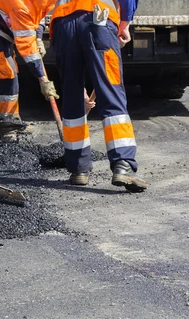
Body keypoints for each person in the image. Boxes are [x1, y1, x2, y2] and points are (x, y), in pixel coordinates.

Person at [50, 0, 149, 192]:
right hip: (98, 20)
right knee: (111, 93)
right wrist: (124, 24)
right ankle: (123, 164)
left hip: (62, 25)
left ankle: (78, 169)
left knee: (73, 97)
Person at [0, 2, 57, 143]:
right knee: (7, 71)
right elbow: (27, 50)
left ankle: (14, 121)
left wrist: (37, 38)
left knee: (11, 69)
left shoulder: (38, 3)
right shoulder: (20, 7)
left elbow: (38, 17)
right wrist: (43, 79)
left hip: (8, 22)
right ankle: (7, 125)